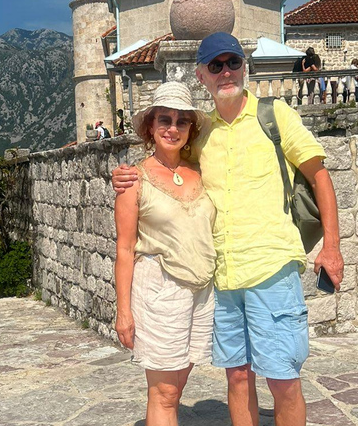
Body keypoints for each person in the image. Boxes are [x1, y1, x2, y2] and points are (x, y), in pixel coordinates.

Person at [114, 32, 344, 426]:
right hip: (223, 276)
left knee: (284, 378)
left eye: (232, 62)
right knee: (237, 376)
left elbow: (319, 176)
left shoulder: (276, 116)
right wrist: (124, 175)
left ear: (245, 66)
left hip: (272, 267)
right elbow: (164, 167)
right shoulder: (202, 136)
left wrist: (332, 248)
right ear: (202, 75)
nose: (226, 72)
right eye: (215, 65)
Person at [114, 81, 216, 425]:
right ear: (150, 127)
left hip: (202, 291)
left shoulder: (202, 171)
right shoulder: (133, 180)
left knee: (179, 384)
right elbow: (125, 249)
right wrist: (123, 312)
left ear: (191, 128)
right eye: (164, 120)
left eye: (181, 121)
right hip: (158, 290)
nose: (172, 128)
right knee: (165, 393)